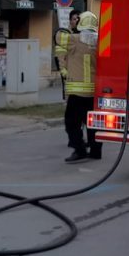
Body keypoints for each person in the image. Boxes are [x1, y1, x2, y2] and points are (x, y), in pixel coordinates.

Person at [60, 10, 101, 162]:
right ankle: (96, 151)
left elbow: (57, 37)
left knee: (71, 122)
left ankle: (79, 149)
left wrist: (72, 29)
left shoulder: (75, 39)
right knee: (93, 121)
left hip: (78, 92)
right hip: (94, 90)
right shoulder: (99, 41)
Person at [53, 10, 81, 92]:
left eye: (78, 19)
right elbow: (61, 58)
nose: (77, 21)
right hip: (69, 75)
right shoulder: (65, 35)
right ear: (70, 21)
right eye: (74, 19)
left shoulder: (79, 35)